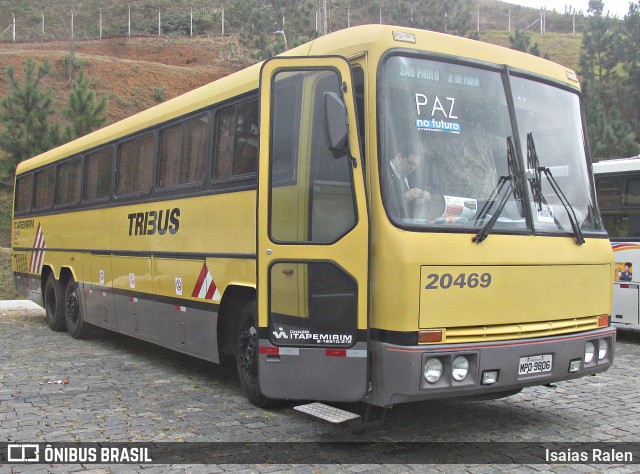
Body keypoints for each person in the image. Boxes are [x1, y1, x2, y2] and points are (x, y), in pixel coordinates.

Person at [386, 143, 433, 219]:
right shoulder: (381, 173)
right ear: (399, 157)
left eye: (416, 164)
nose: (413, 167)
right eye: (410, 163)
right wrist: (404, 198)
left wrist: (425, 198)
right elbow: (380, 205)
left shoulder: (414, 175)